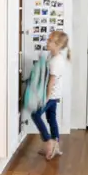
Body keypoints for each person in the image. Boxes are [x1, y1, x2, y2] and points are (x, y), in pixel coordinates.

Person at [31, 31, 71, 160]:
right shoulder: (52, 56)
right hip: (54, 94)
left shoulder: (56, 62)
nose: (47, 42)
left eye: (50, 41)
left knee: (35, 114)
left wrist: (45, 99)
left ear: (58, 45)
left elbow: (51, 83)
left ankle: (48, 141)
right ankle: (56, 145)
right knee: (51, 118)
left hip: (51, 95)